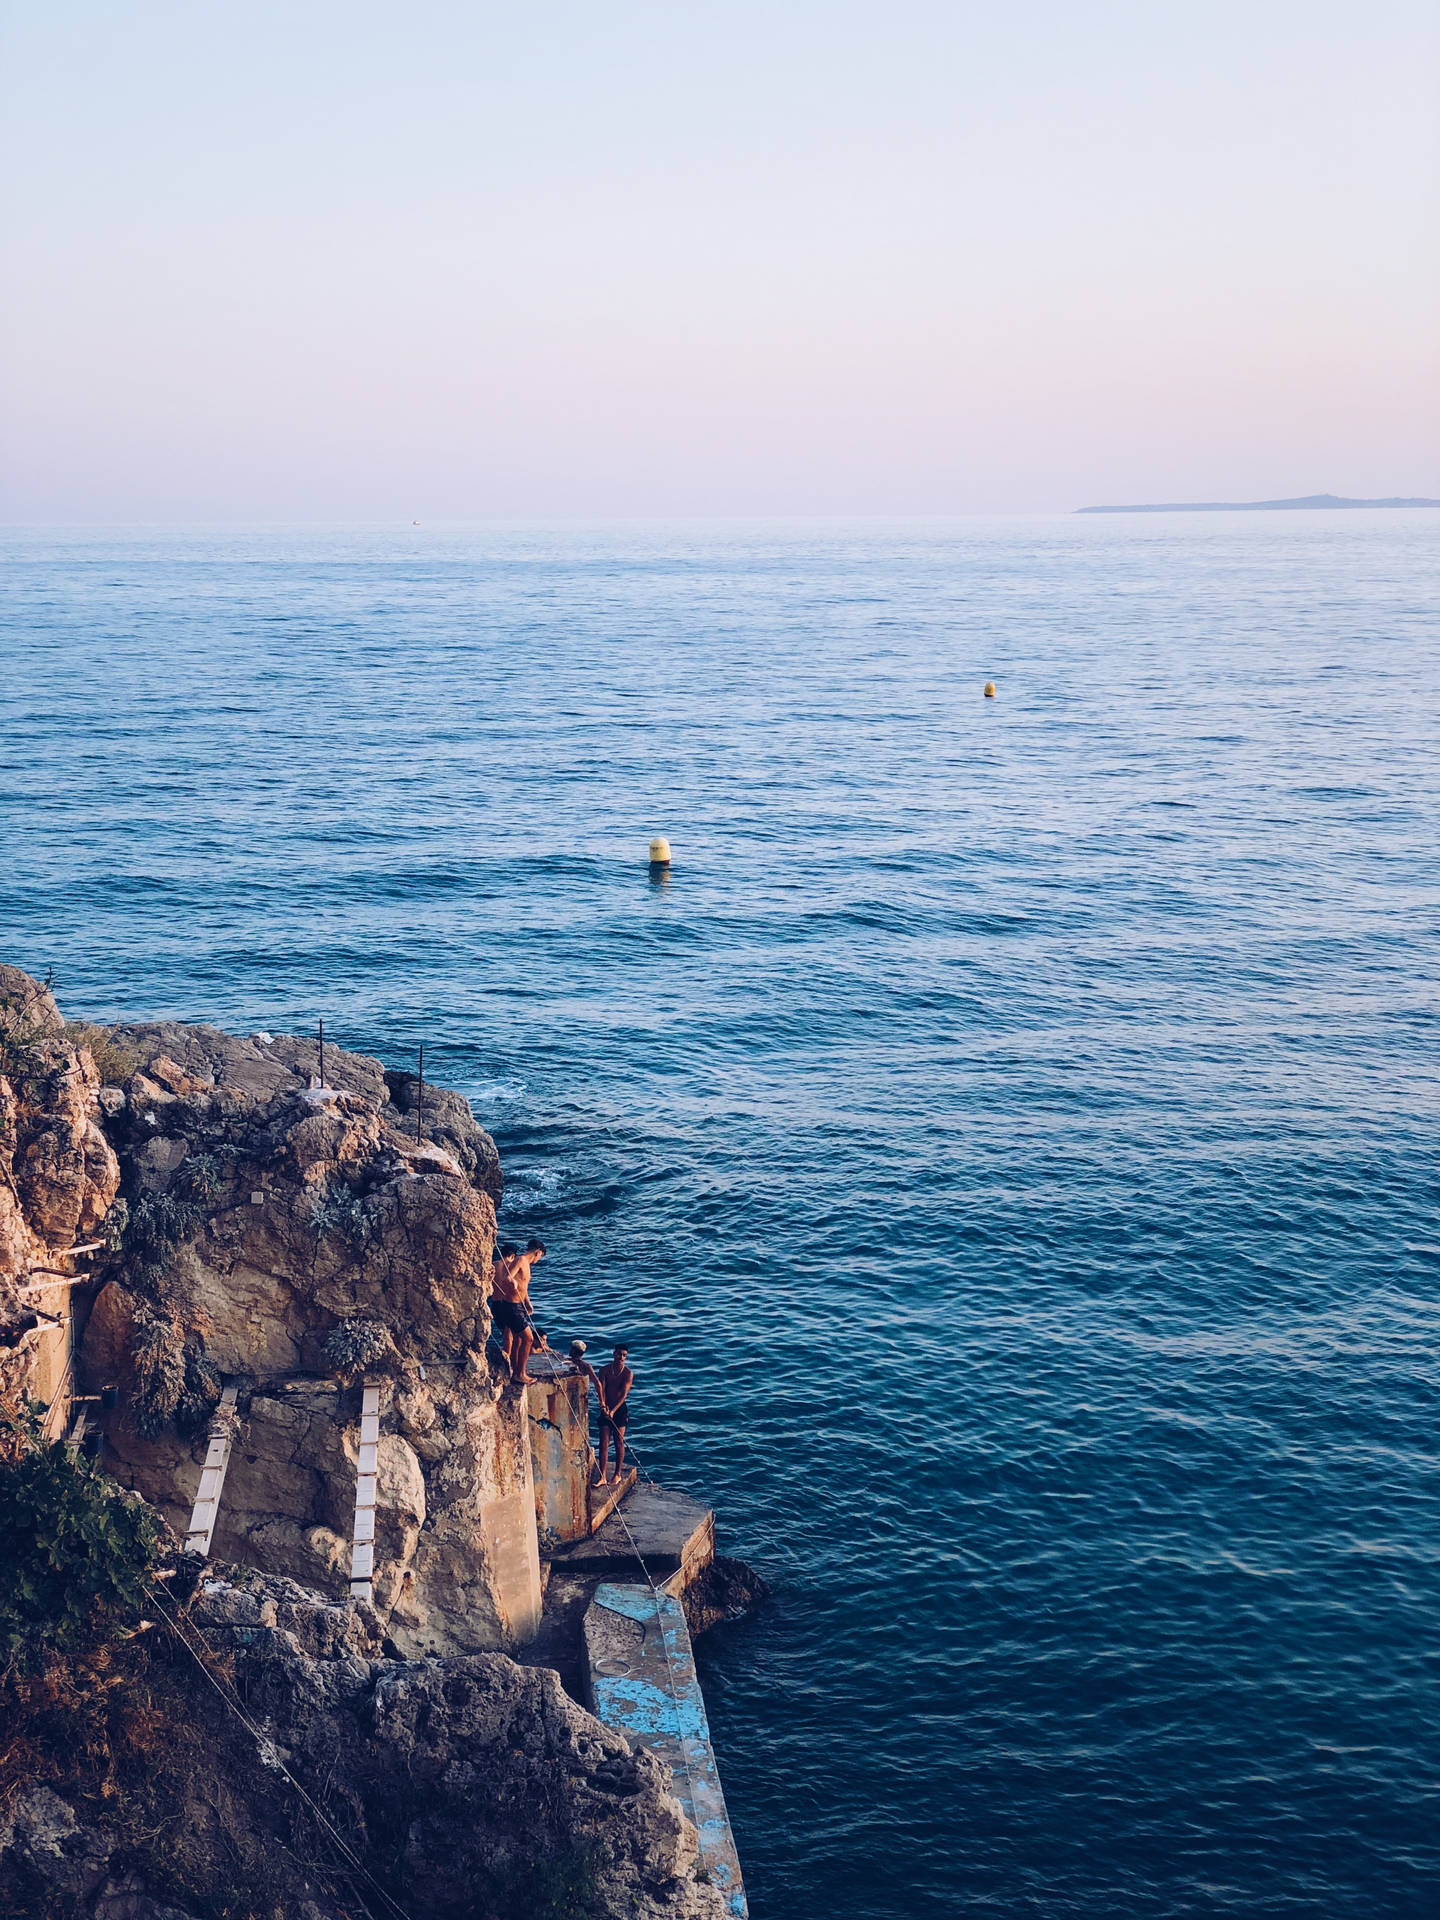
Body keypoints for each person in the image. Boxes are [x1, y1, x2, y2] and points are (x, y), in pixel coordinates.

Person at [489, 1237, 546, 1384]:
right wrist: (511, 1281)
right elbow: (508, 1277)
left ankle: (514, 1370)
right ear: (538, 1252)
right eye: (540, 1256)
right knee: (529, 1338)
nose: (538, 1260)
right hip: (512, 1306)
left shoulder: (526, 1264)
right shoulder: (520, 1260)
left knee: (518, 1339)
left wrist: (528, 1303)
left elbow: (523, 1286)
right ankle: (520, 1373)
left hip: (518, 1306)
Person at [593, 1344, 632, 1485]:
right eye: (619, 1354)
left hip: (619, 1410)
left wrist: (614, 1410)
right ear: (614, 1354)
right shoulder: (604, 1370)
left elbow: (624, 1395)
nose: (621, 1357)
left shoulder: (628, 1373)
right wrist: (603, 1405)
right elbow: (601, 1388)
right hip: (605, 1408)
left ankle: (617, 1474)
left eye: (624, 1356)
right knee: (603, 1442)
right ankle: (602, 1476)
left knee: (618, 1442)